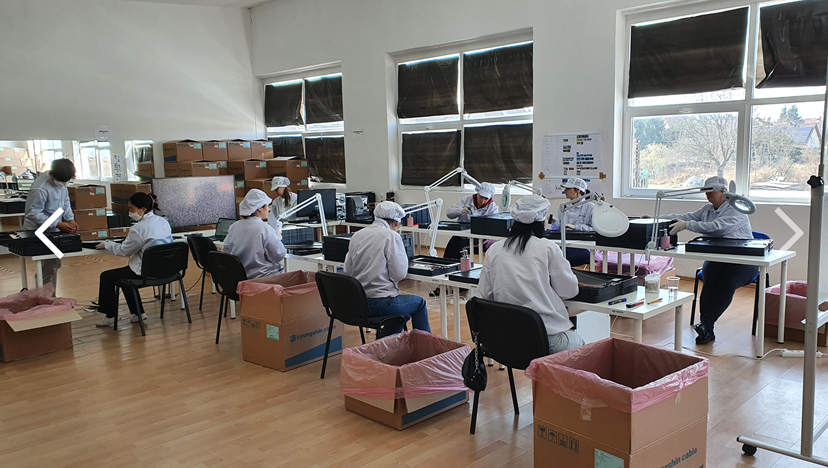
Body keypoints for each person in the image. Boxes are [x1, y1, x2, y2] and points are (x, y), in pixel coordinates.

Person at [655, 175, 756, 345]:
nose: (708, 194)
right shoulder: (707, 209)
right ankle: (706, 327)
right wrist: (657, 218)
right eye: (706, 191)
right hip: (719, 256)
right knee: (709, 280)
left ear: (723, 192)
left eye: (712, 191)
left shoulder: (736, 208)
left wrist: (687, 226)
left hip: (743, 259)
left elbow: (718, 228)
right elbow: (687, 217)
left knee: (726, 283)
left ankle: (706, 325)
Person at [479, 195, 584, 354]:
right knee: (580, 342)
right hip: (542, 339)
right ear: (541, 221)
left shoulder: (495, 249)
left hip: (504, 339)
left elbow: (485, 293)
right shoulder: (548, 247)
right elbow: (569, 291)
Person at [344, 201, 430, 339]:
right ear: (397, 223)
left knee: (403, 315)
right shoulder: (391, 236)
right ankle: (426, 347)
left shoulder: (358, 234)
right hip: (381, 302)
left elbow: (348, 270)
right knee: (419, 304)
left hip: (358, 302)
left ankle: (382, 347)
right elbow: (399, 274)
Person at [94, 193, 172, 327]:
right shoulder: (163, 221)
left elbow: (124, 251)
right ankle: (137, 313)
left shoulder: (138, 228)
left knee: (107, 276)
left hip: (145, 272)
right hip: (166, 270)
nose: (130, 212)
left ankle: (110, 315)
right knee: (125, 276)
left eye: (132, 209)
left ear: (143, 209)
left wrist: (107, 244)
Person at [430, 182, 498, 297]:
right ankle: (444, 282)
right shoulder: (466, 200)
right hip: (462, 234)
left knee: (460, 248)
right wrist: (460, 211)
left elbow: (492, 225)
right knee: (449, 249)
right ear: (477, 193)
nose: (483, 201)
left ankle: (461, 281)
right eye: (481, 197)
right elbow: (449, 213)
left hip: (480, 238)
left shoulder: (493, 207)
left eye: (486, 199)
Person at [24, 159, 79, 289]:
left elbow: (65, 201)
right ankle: (44, 297)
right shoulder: (40, 188)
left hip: (54, 229)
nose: (63, 184)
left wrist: (70, 219)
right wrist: (57, 224)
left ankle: (48, 295)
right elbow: (32, 212)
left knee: (53, 263)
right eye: (61, 181)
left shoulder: (62, 180)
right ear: (52, 175)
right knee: (47, 265)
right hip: (39, 230)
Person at [225, 189, 287, 279]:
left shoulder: (234, 226)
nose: (269, 209)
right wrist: (277, 238)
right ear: (260, 208)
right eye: (267, 206)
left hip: (241, 277)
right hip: (263, 277)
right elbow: (278, 255)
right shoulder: (264, 228)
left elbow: (227, 249)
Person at [548, 177, 593, 267]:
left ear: (578, 190)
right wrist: (554, 222)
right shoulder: (564, 206)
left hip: (582, 246)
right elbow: (558, 228)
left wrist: (575, 227)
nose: (565, 191)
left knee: (557, 255)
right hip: (565, 242)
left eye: (568, 189)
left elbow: (594, 229)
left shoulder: (590, 207)